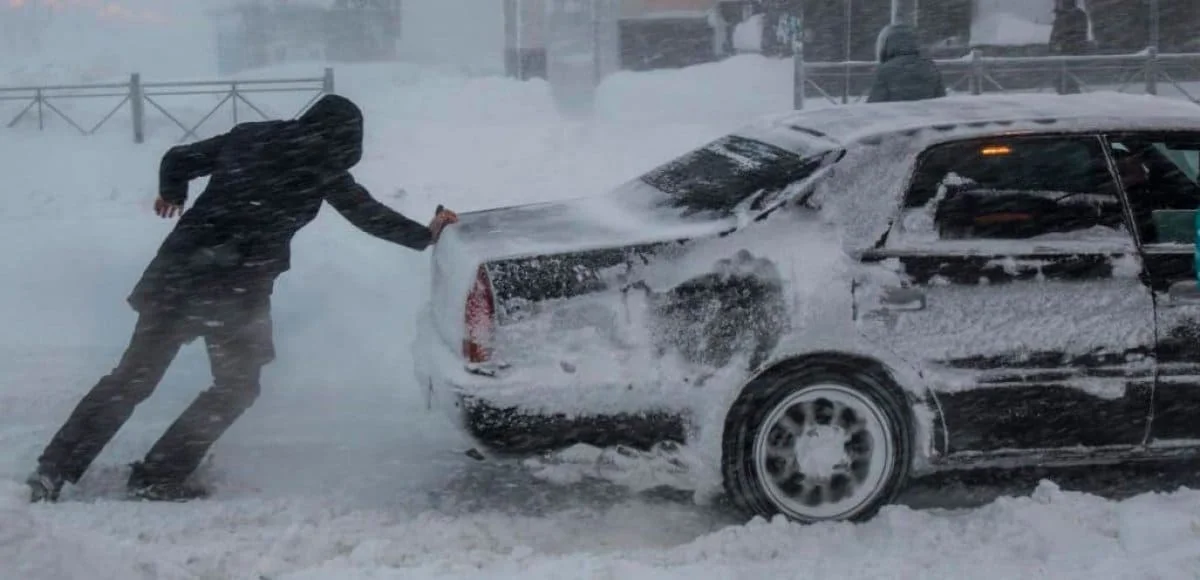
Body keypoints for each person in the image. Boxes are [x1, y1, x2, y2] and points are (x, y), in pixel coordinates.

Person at [25, 94, 459, 503]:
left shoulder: (250, 135)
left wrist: (173, 192)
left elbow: (178, 158)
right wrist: (425, 234)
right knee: (235, 385)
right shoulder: (322, 166)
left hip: (180, 276)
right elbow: (368, 214)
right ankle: (158, 476)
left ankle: (54, 469)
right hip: (234, 289)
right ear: (346, 141)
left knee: (133, 378)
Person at [866, 23, 946, 103]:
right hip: (927, 114)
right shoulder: (930, 67)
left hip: (897, 115)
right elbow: (941, 101)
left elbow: (873, 105)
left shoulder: (885, 71)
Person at [1049, 0, 1089, 94]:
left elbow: (1078, 34)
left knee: (1067, 79)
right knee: (1060, 80)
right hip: (1061, 55)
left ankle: (1072, 97)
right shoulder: (1060, 16)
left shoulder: (1077, 15)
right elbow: (1055, 36)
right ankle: (1067, 96)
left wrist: (1063, 44)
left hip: (1072, 54)